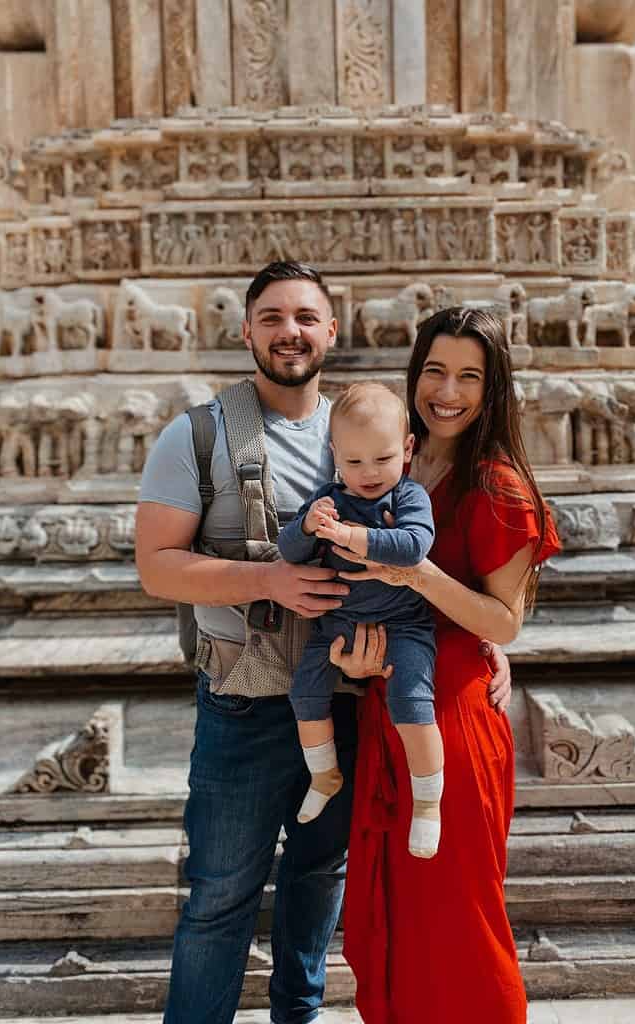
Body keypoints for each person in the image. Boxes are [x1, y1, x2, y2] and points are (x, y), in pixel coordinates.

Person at [135, 262, 513, 1024]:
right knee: (217, 902)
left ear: (332, 332)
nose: (290, 332)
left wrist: (479, 634)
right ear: (245, 331)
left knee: (316, 898)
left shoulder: (366, 429)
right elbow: (155, 567)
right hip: (244, 707)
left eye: (306, 317)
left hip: (350, 703)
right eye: (271, 318)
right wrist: (268, 579)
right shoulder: (197, 433)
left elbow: (441, 556)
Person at [340, 306, 561, 1024]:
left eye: (471, 375)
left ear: (493, 387)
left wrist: (416, 575)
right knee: (404, 918)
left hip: (451, 719)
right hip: (393, 700)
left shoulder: (496, 484)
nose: (449, 391)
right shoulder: (394, 457)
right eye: (435, 370)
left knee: (460, 920)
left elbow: (505, 622)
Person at [278, 382, 443, 859]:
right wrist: (309, 525)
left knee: (412, 704)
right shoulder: (328, 500)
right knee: (304, 692)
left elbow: (414, 546)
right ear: (334, 455)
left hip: (404, 625)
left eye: (382, 459)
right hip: (337, 623)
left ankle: (429, 802)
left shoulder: (409, 497)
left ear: (407, 449)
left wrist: (353, 535)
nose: (368, 474)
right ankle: (325, 774)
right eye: (353, 462)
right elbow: (290, 552)